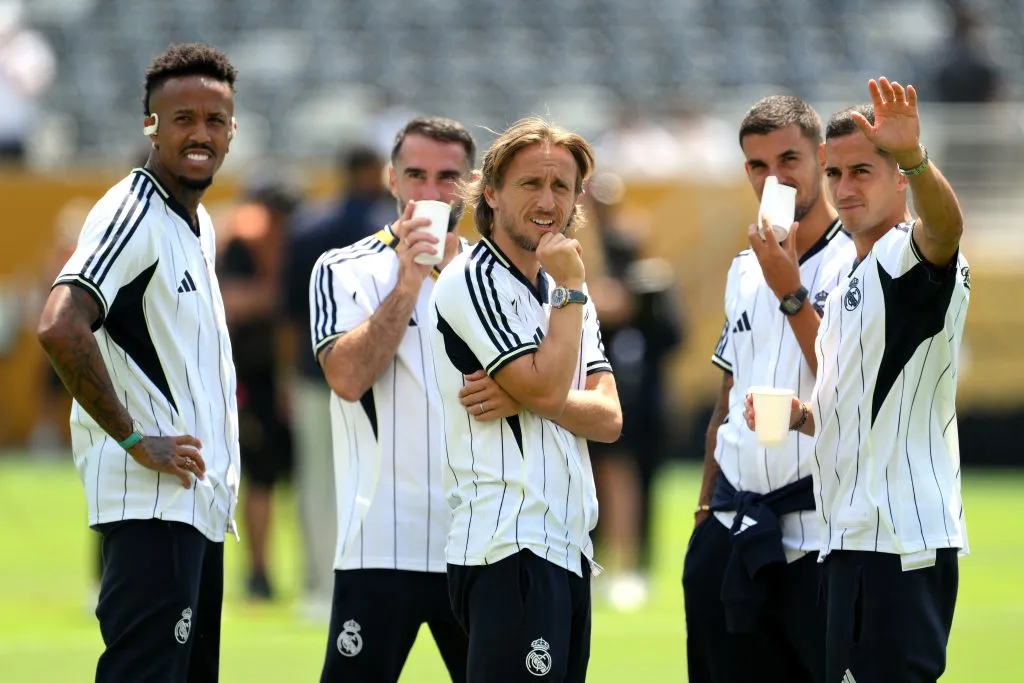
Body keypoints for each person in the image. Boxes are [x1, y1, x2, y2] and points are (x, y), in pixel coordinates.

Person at [744, 77, 970, 683]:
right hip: (847, 537)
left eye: (863, 171)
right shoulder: (851, 271)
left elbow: (947, 230)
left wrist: (917, 157)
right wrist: (801, 415)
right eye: (835, 173)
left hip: (899, 542)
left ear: (899, 178)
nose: (845, 189)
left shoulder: (908, 253)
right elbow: (859, 405)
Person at [36, 43, 240, 683]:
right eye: (183, 118)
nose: (200, 134)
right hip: (151, 508)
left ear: (233, 130)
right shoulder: (134, 211)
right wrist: (131, 437)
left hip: (193, 506)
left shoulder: (195, 222)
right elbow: (60, 326)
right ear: (150, 124)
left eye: (216, 120)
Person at [430, 116, 623, 683]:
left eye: (561, 186)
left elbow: (609, 418)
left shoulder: (566, 290)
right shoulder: (473, 278)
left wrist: (531, 396)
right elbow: (547, 385)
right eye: (530, 184)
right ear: (490, 193)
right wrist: (541, 389)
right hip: (506, 545)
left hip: (567, 547)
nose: (547, 200)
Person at [682, 95, 856, 683]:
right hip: (732, 528)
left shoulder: (859, 261)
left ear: (823, 159)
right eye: (758, 165)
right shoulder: (742, 267)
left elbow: (847, 385)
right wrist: (705, 512)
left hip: (821, 537)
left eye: (789, 159)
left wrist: (787, 282)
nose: (774, 178)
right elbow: (725, 397)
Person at [308, 116, 477, 683]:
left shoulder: (498, 276)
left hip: (481, 542)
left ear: (472, 185)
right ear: (391, 179)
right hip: (380, 541)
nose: (430, 193)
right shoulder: (342, 268)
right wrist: (408, 281)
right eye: (416, 175)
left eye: (447, 178)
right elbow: (347, 378)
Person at [284, 142, 395, 618]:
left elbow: (287, 313)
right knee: (371, 479)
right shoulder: (383, 228)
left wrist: (287, 373)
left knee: (316, 482)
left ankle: (317, 584)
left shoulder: (308, 224)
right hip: (380, 376)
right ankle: (367, 577)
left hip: (314, 371)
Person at [583, 174, 685, 611]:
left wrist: (638, 307)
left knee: (642, 484)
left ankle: (634, 568)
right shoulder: (586, 285)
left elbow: (673, 338)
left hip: (644, 407)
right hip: (600, 402)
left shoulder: (652, 284)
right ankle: (599, 563)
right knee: (599, 483)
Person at [217, 172, 301, 601]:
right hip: (251, 375)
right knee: (261, 478)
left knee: (295, 480)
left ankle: (306, 571)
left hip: (288, 375)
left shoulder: (292, 243)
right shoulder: (239, 242)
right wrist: (275, 294)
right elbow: (228, 301)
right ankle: (259, 571)